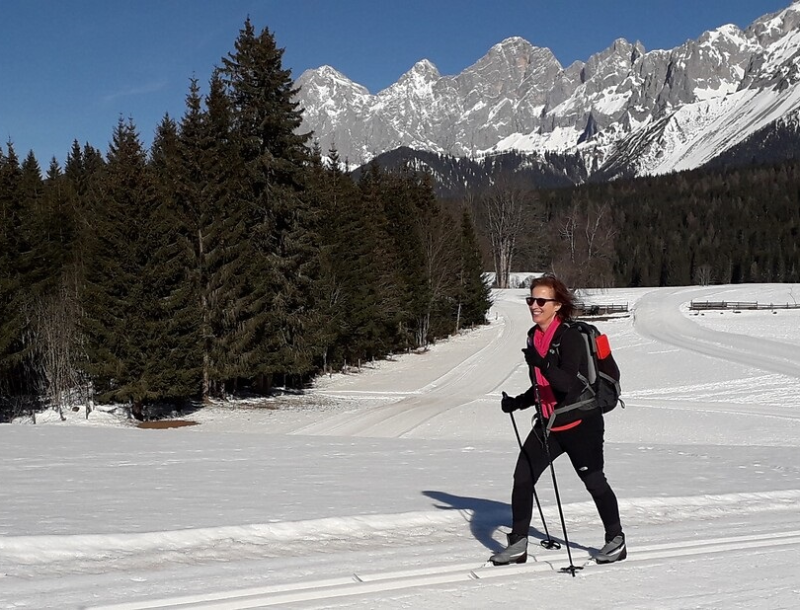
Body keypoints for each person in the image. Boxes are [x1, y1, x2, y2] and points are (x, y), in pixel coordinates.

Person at [490, 274, 625, 566]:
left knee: (593, 481)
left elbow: (568, 385)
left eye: (541, 300)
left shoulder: (570, 336)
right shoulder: (533, 336)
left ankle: (616, 540)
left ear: (558, 305)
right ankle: (518, 544)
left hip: (581, 423)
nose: (534, 305)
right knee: (522, 477)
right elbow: (542, 386)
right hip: (548, 424)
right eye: (531, 299)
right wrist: (518, 402)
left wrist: (542, 363)